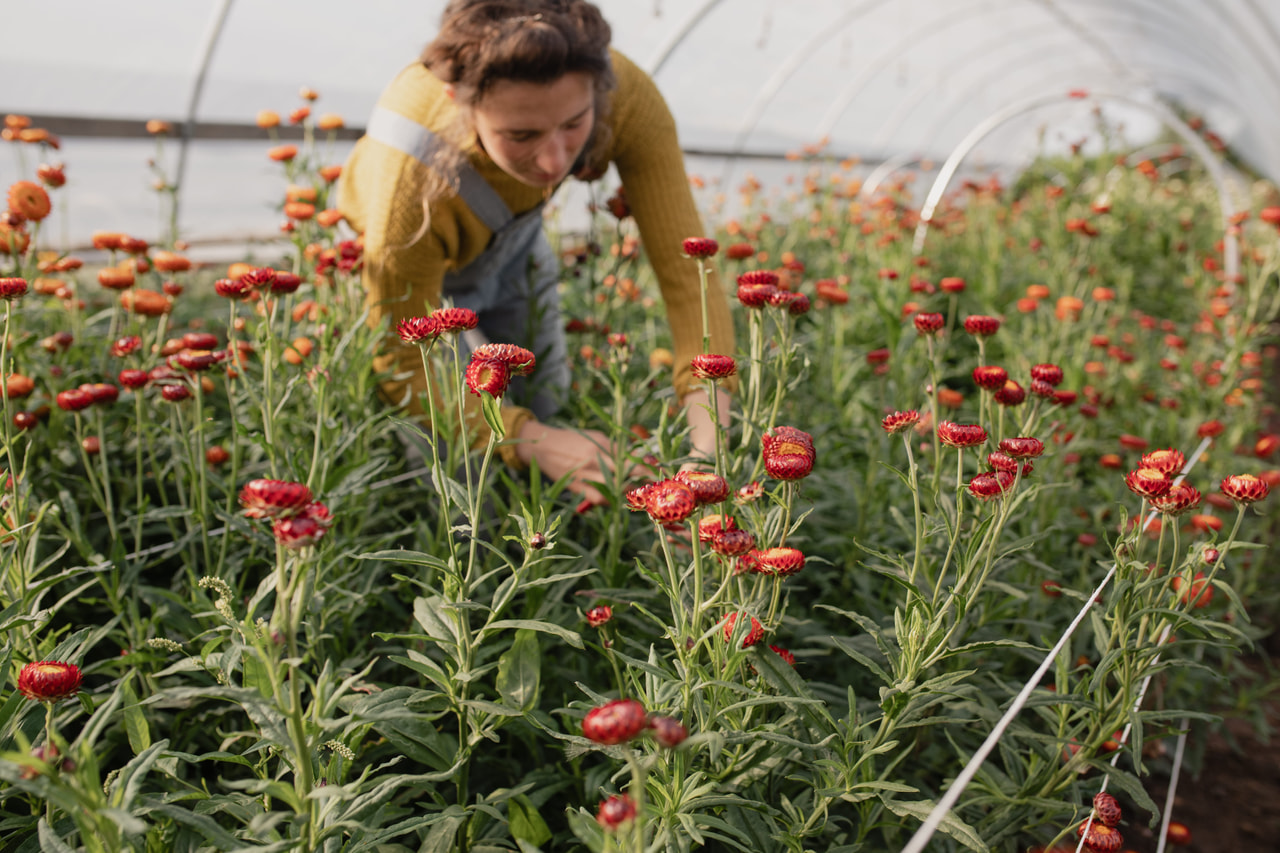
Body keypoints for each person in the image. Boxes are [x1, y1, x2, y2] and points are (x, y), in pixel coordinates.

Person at [339, 0, 736, 506]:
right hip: (397, 261)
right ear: (459, 102)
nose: (552, 161)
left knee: (545, 397)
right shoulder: (409, 175)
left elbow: (691, 279)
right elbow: (402, 362)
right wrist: (528, 440)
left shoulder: (628, 96)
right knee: (455, 467)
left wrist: (706, 453)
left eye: (573, 124)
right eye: (520, 135)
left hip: (511, 245)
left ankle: (552, 534)